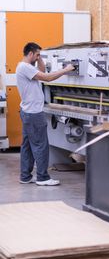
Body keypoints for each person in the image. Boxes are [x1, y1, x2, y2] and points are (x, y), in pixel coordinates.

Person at [16, 42, 74, 186]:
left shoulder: (27, 67)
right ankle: (43, 178)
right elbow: (47, 78)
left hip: (28, 112)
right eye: (36, 55)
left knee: (28, 146)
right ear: (30, 54)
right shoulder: (24, 67)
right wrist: (65, 70)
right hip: (34, 113)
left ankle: (25, 176)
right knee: (41, 145)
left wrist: (39, 57)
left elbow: (42, 70)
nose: (37, 58)